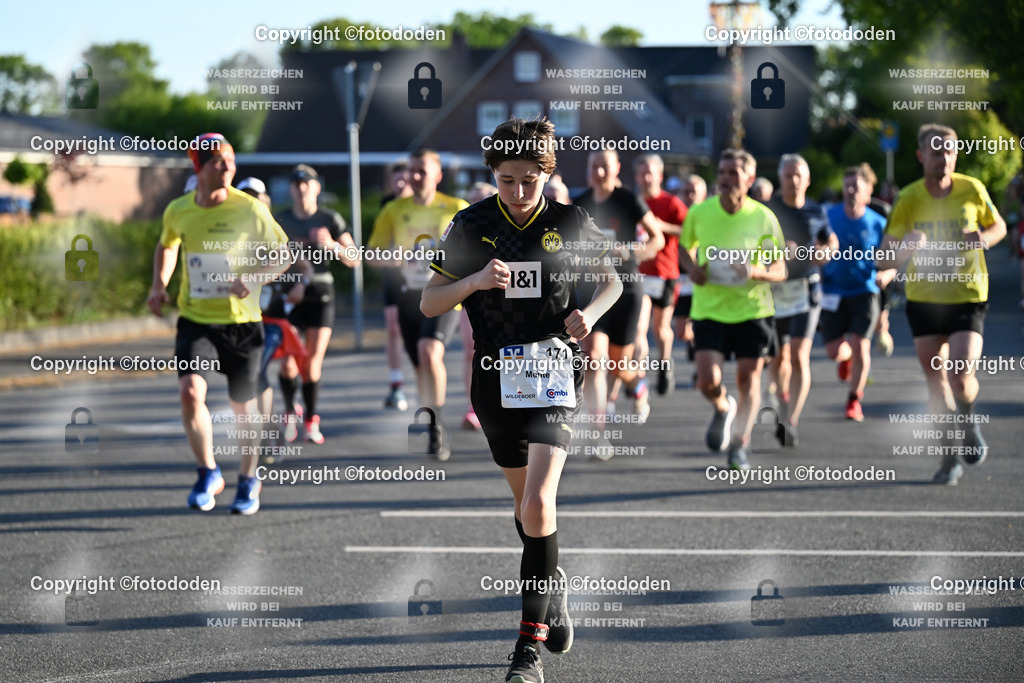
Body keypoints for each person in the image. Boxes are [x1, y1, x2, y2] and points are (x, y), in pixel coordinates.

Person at [422, 116, 622, 683]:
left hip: (555, 373)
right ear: (494, 174)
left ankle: (526, 652)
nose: (516, 192)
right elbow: (430, 304)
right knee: (526, 509)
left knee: (537, 505)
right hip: (494, 377)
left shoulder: (567, 220)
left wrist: (591, 314)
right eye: (506, 180)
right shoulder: (471, 223)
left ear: (546, 174)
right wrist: (475, 283)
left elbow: (613, 280)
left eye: (528, 180)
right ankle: (551, 584)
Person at [147, 133, 292, 514]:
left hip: (242, 323)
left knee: (243, 407)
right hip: (196, 318)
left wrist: (254, 277)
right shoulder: (179, 210)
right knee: (190, 393)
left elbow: (284, 255)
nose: (228, 167)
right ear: (200, 168)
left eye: (230, 160)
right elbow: (167, 244)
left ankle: (248, 478)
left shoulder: (250, 209)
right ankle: (208, 471)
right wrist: (159, 285)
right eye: (217, 162)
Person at [878, 123, 1006, 485]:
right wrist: (907, 249)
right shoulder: (908, 198)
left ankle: (967, 419)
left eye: (949, 151)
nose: (944, 158)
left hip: (966, 294)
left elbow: (998, 228)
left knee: (961, 377)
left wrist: (981, 239)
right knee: (937, 384)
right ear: (921, 156)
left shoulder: (972, 188)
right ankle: (949, 459)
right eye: (936, 152)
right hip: (923, 299)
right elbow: (884, 258)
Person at [679, 148, 787, 470]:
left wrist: (755, 272)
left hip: (752, 310)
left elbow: (780, 270)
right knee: (708, 379)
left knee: (748, 381)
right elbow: (685, 248)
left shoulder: (763, 217)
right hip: (709, 308)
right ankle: (722, 406)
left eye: (733, 174)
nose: (725, 179)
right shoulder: (700, 212)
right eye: (722, 173)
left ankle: (740, 443)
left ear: (749, 179)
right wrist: (692, 270)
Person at [368, 150, 469, 459]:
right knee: (420, 366)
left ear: (437, 175)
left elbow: (476, 252)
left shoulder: (456, 208)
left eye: (421, 171)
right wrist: (392, 258)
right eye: (411, 170)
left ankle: (437, 427)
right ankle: (432, 413)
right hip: (408, 298)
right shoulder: (394, 210)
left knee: (430, 351)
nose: (414, 176)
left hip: (444, 297)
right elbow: (372, 254)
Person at [574, 148, 664, 446]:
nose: (598, 173)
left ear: (616, 169)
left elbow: (656, 239)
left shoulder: (628, 200)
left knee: (618, 365)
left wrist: (632, 251)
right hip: (592, 290)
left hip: (625, 289)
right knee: (592, 358)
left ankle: (636, 384)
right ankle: (599, 435)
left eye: (604, 167)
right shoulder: (581, 204)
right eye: (593, 167)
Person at [273, 165, 359, 445]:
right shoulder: (281, 219)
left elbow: (354, 258)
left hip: (320, 295)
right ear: (291, 189)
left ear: (316, 188)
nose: (301, 188)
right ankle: (289, 411)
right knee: (287, 364)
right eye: (296, 184)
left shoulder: (328, 218)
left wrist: (332, 245)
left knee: (310, 366)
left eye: (306, 183)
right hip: (289, 295)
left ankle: (310, 419)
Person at [237, 177, 315, 465]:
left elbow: (304, 266)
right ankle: (272, 426)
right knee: (251, 374)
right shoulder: (232, 233)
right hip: (242, 318)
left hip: (273, 321)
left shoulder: (277, 231)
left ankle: (272, 429)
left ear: (266, 201)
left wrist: (301, 285)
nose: (251, 201)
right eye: (245, 196)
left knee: (261, 369)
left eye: (256, 196)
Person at [765, 154, 837, 446]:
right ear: (780, 179)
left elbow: (831, 241)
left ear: (807, 180)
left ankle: (791, 419)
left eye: (798, 175)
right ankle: (782, 399)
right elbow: (756, 247)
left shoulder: (817, 210)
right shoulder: (768, 211)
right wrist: (776, 252)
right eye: (788, 175)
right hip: (776, 290)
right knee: (778, 357)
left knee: (798, 354)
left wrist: (826, 252)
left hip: (807, 287)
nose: (793, 180)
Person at [821, 164, 895, 421]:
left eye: (856, 186)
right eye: (847, 186)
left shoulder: (878, 223)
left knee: (862, 345)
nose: (850, 191)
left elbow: (891, 260)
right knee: (833, 350)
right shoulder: (827, 215)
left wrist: (886, 274)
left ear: (868, 191)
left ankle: (854, 400)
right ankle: (846, 357)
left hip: (865, 291)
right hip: (831, 291)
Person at [634, 154, 687, 395]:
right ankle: (638, 376)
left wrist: (660, 226)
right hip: (640, 275)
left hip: (666, 274)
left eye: (650, 173)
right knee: (639, 328)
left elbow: (689, 231)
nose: (646, 178)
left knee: (661, 329)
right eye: (642, 173)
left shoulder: (672, 203)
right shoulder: (633, 203)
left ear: (660, 176)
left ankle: (665, 365)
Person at [460, 181, 500, 430]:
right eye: (472, 200)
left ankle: (504, 401)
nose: (477, 204)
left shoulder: (507, 228)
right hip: (472, 296)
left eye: (482, 199)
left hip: (505, 299)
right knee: (470, 350)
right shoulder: (464, 227)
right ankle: (473, 407)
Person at [381, 160, 414, 411]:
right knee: (393, 327)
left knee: (423, 338)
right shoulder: (387, 206)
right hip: (394, 276)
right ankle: (396, 384)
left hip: (423, 279)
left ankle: (426, 380)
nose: (401, 184)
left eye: (405, 179)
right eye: (396, 180)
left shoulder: (427, 206)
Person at [674, 174, 708, 358]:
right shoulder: (677, 215)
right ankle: (692, 342)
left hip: (703, 277)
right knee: (682, 331)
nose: (689, 196)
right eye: (686, 192)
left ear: (703, 195)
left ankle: (701, 357)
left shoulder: (710, 216)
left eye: (693, 192)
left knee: (702, 324)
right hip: (681, 277)